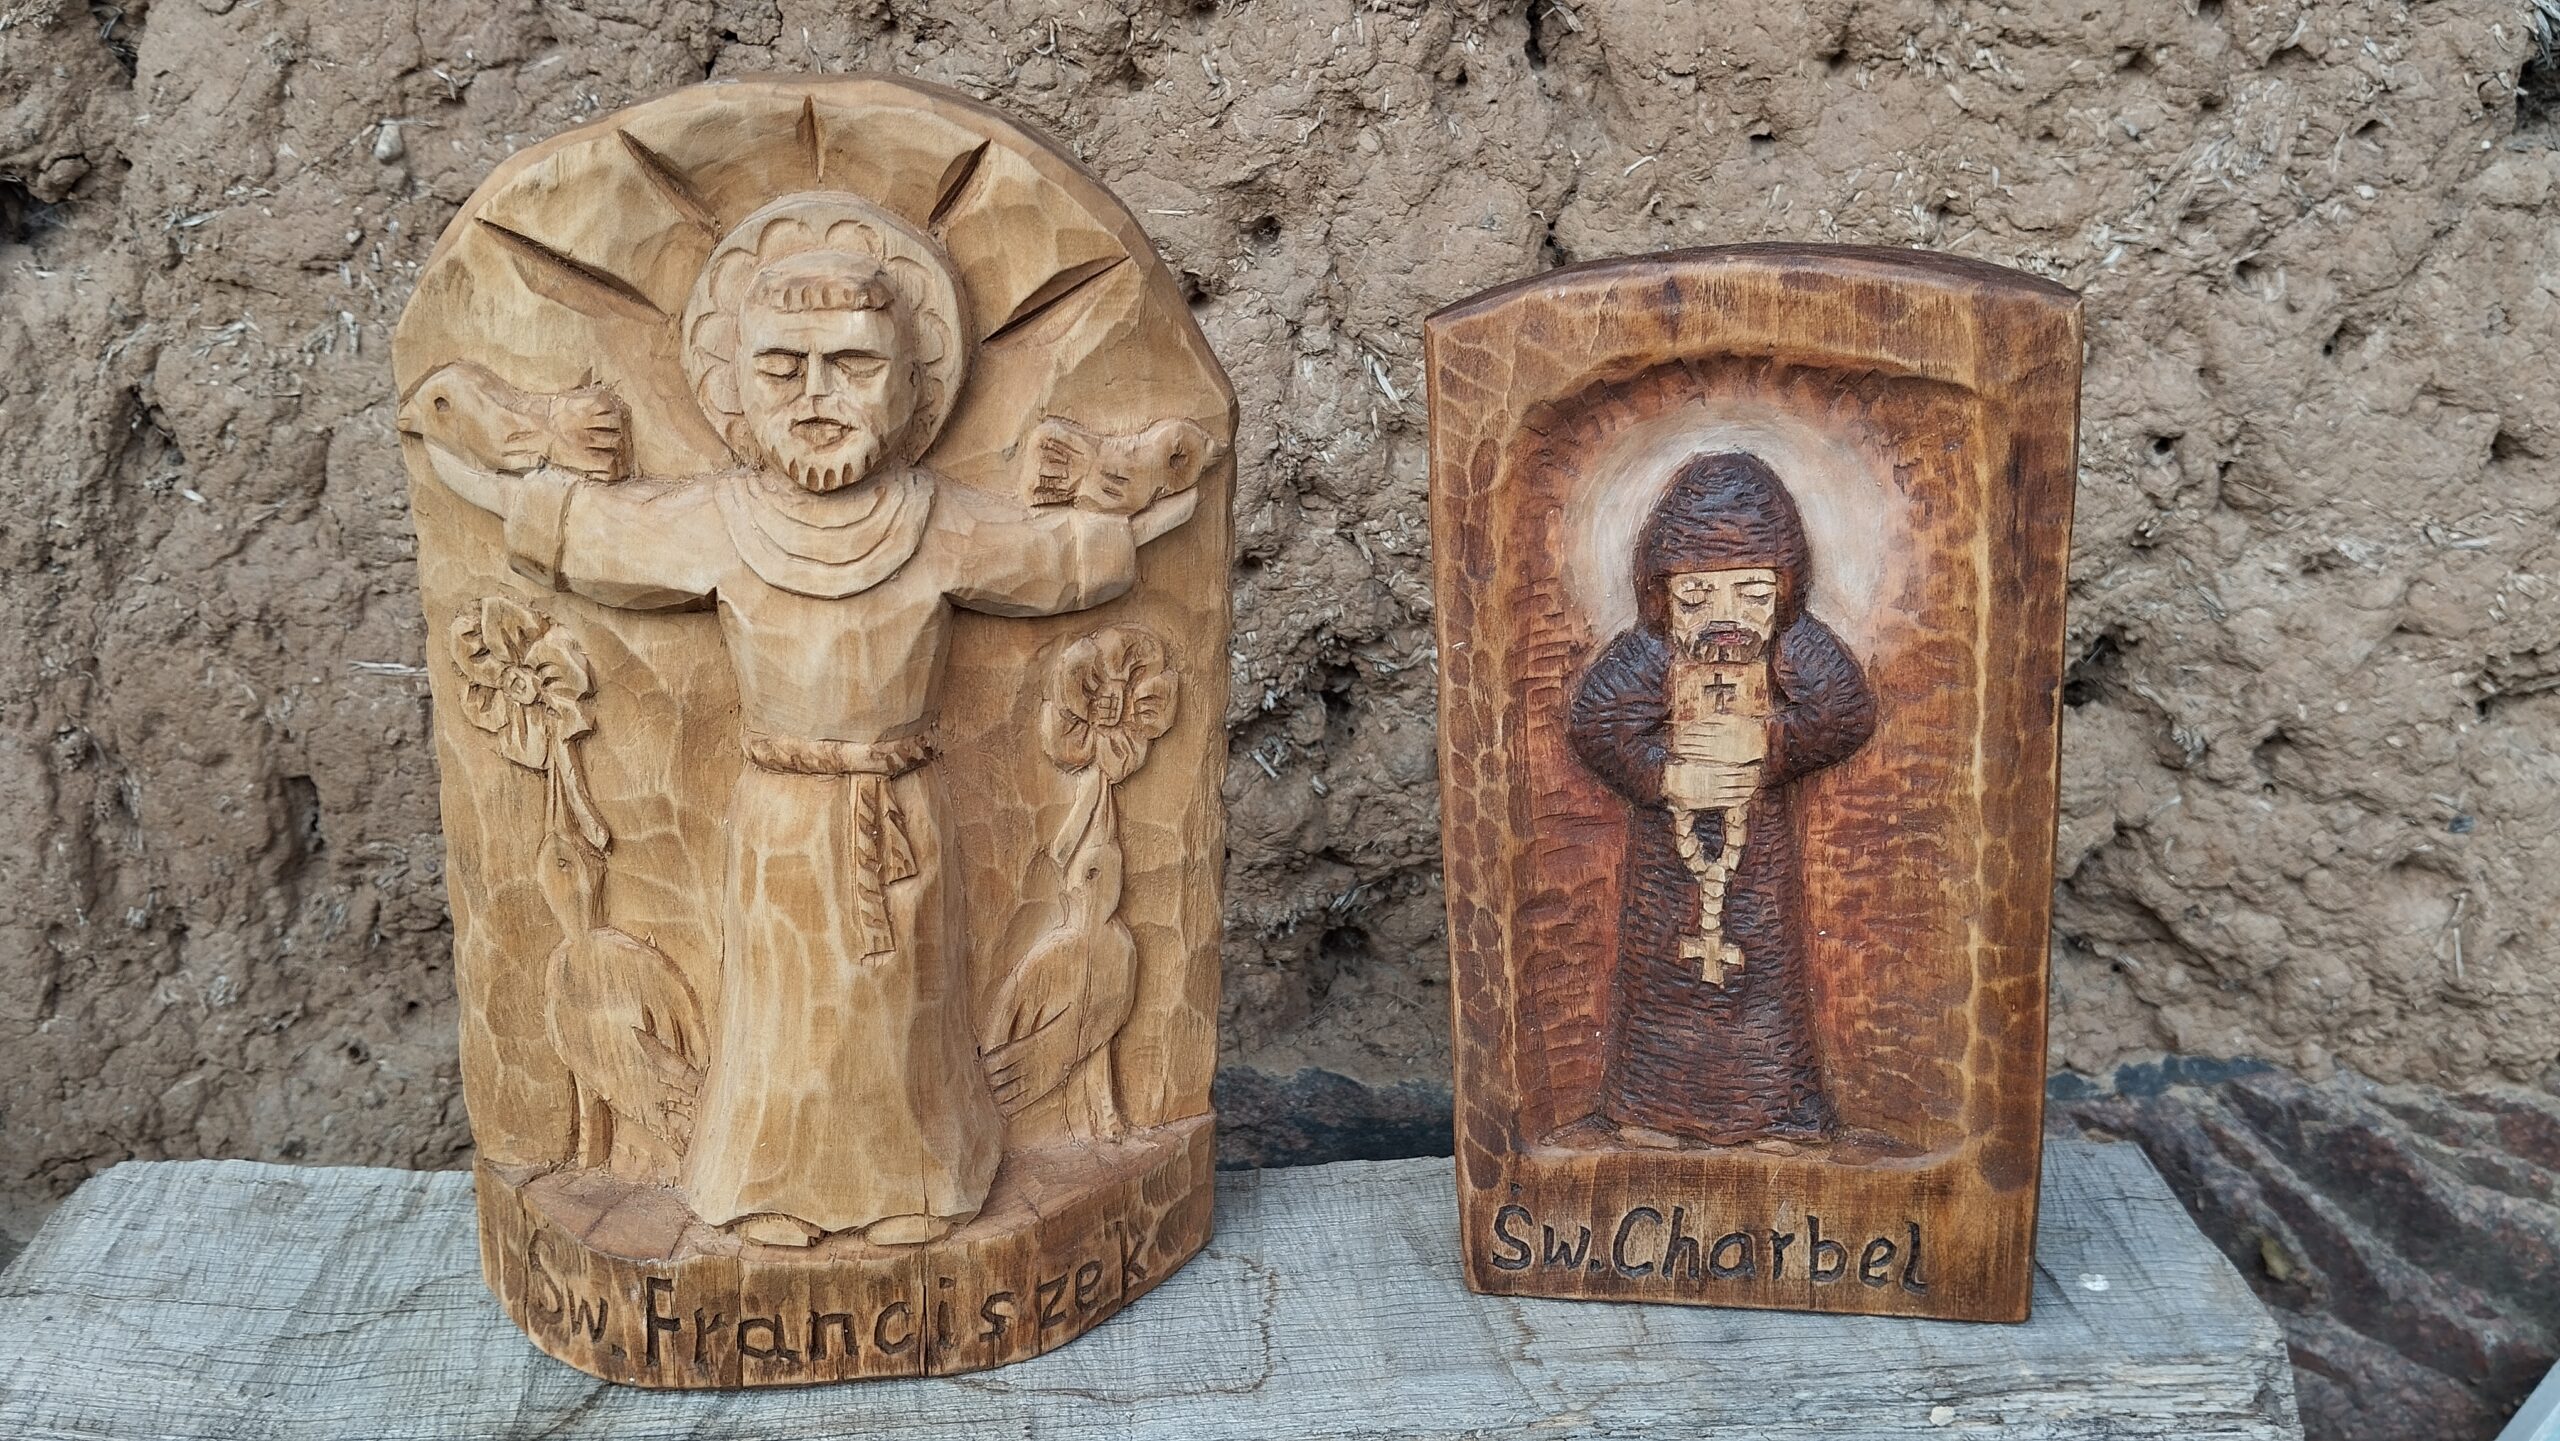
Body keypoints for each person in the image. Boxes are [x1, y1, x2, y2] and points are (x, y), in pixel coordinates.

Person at [399, 194, 1198, 1246]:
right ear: (734, 386)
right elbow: (583, 531)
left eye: (853, 365)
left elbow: (1060, 558)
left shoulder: (937, 522)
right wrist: (455, 450)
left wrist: (1159, 492)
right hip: (779, 816)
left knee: (903, 1014)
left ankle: (920, 1187)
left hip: (902, 809)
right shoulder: (721, 520)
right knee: (781, 1012)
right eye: (783, 369)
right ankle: (765, 1188)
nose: (818, 396)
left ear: (912, 383)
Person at [1566, 451, 1876, 1145]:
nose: (1726, 618)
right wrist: (1669, 777)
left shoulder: (1794, 647)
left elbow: (1845, 712)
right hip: (1667, 865)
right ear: (1662, 595)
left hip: (1757, 859)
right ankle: (1650, 1108)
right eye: (1697, 598)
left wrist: (1767, 746)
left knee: (1764, 982)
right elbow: (1596, 725)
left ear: (1784, 592)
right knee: (1661, 979)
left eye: (1752, 594)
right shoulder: (1651, 655)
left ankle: (1777, 1112)